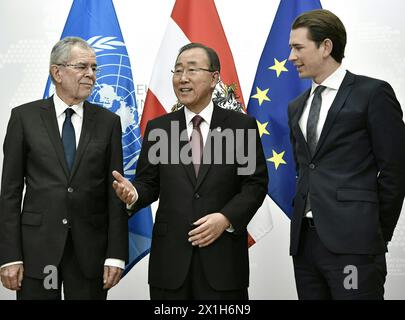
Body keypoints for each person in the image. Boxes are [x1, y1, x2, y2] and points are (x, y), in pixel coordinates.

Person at [112, 43, 268, 299]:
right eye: (178, 71)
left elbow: (255, 184)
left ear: (214, 77)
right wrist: (133, 194)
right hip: (170, 263)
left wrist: (226, 218)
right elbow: (148, 183)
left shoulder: (241, 127)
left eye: (192, 70)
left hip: (223, 261)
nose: (182, 78)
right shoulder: (159, 128)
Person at [287, 9, 405, 299]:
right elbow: (304, 168)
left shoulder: (372, 93)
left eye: (298, 47)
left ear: (326, 47)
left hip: (355, 244)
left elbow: (396, 169)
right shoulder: (296, 106)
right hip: (305, 245)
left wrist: (373, 233)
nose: (291, 57)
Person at [0, 37, 128, 300]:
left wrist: (116, 254)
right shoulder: (24, 118)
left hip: (89, 252)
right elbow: (10, 193)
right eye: (82, 67)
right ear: (57, 72)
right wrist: (9, 256)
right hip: (38, 251)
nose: (91, 75)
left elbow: (114, 193)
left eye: (94, 68)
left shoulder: (108, 122)